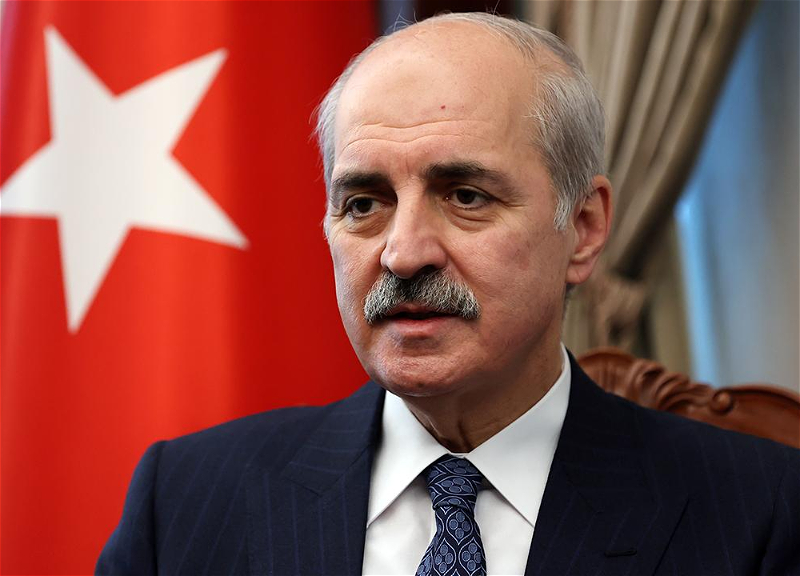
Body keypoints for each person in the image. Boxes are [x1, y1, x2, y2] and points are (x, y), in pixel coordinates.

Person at [97, 12, 800, 576]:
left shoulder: (759, 511)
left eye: (465, 196)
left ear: (584, 228)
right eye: (364, 204)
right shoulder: (185, 500)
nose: (402, 254)